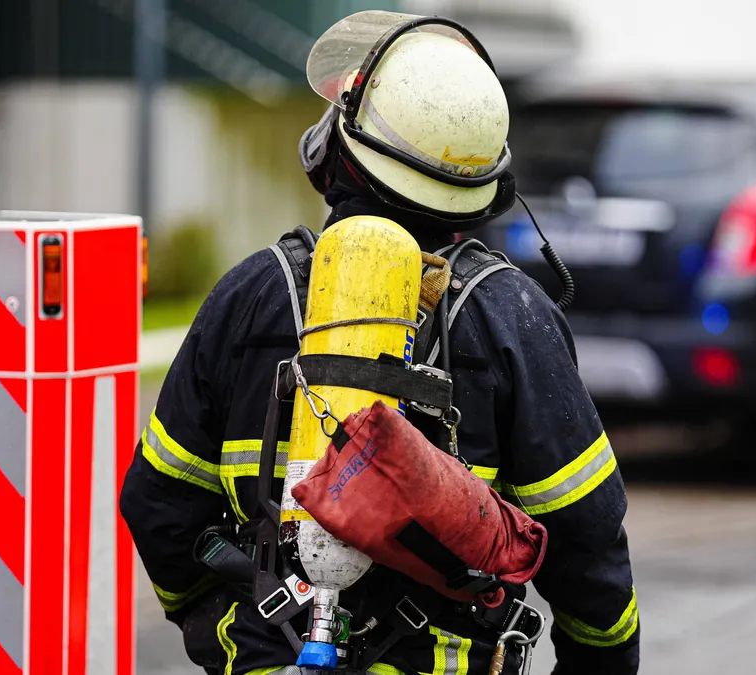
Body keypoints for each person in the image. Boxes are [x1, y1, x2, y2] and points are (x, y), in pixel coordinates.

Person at [120, 10, 640, 675]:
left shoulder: (252, 295)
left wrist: (230, 633)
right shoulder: (514, 316)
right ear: (488, 188)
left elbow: (158, 503)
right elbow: (587, 549)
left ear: (338, 153)